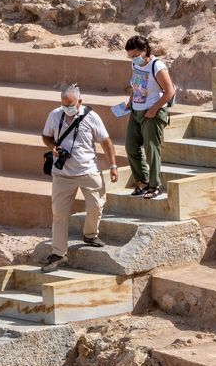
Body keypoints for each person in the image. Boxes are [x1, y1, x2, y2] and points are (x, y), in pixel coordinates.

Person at [40, 84, 120, 273]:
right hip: (62, 174)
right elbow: (46, 137)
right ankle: (58, 253)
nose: (66, 108)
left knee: (96, 205)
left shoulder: (91, 117)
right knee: (59, 214)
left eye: (70, 104)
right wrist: (53, 146)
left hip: (88, 171)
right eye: (64, 104)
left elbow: (106, 142)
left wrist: (113, 166)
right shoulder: (55, 115)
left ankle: (90, 234)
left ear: (79, 102)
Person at [123, 35, 176, 200]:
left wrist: (154, 109)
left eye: (135, 55)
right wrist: (130, 102)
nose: (133, 59)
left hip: (152, 113)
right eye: (130, 56)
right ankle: (143, 181)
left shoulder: (157, 66)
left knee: (151, 150)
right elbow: (135, 85)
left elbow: (170, 91)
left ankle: (155, 185)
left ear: (144, 51)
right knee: (131, 146)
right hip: (136, 111)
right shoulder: (136, 64)